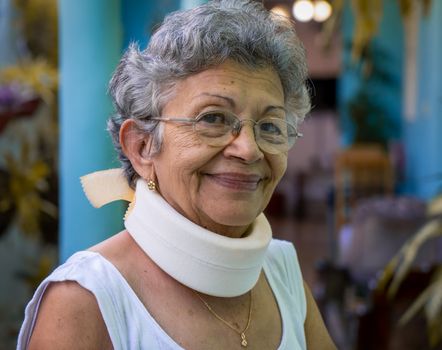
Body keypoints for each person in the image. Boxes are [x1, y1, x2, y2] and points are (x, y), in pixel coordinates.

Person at [17, 1, 336, 349]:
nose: (249, 149)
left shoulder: (282, 271)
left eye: (271, 126)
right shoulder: (85, 300)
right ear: (141, 147)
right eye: (213, 119)